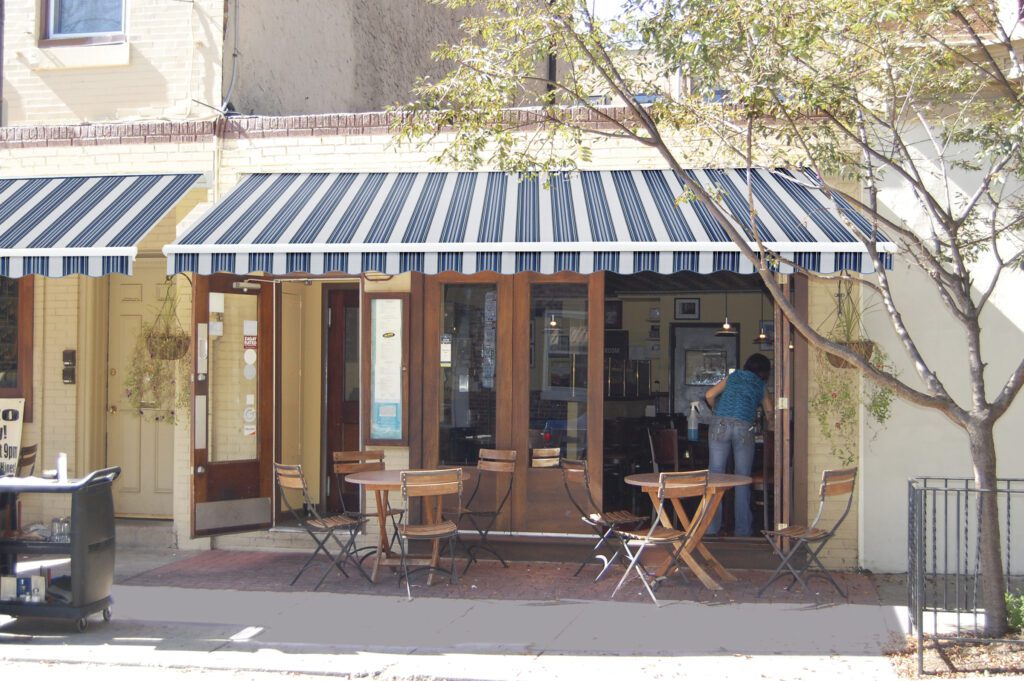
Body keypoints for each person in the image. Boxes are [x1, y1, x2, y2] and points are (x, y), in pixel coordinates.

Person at [703, 353, 773, 537]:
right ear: (765, 372)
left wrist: (716, 409)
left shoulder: (733, 377)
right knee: (742, 479)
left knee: (715, 477)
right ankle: (742, 531)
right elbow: (770, 412)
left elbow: (709, 395)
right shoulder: (761, 385)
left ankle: (710, 528)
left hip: (720, 424)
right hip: (744, 427)